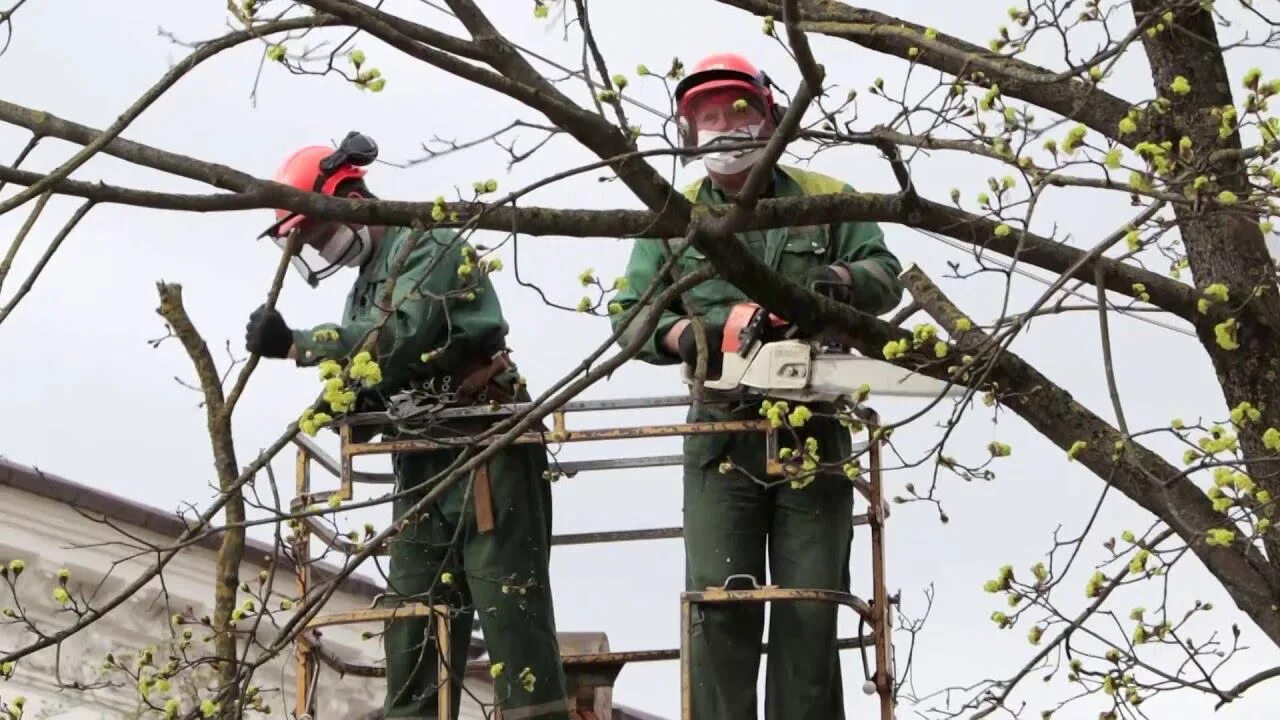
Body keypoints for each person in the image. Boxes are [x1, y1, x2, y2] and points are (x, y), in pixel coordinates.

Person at [609, 54, 905, 719]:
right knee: (721, 608)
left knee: (810, 608)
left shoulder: (824, 196)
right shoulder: (673, 217)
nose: (723, 128)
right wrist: (704, 335)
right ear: (688, 133)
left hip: (813, 427)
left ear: (771, 118)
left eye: (737, 112)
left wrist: (835, 283)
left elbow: (886, 272)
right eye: (707, 118)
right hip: (721, 436)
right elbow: (630, 316)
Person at [244, 132, 570, 720]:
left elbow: (400, 338)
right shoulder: (362, 289)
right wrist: (325, 411)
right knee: (413, 614)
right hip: (420, 456)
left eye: (316, 234)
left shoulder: (429, 243)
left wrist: (297, 344)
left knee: (508, 605)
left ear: (348, 198)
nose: (320, 249)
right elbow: (368, 373)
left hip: (484, 441)